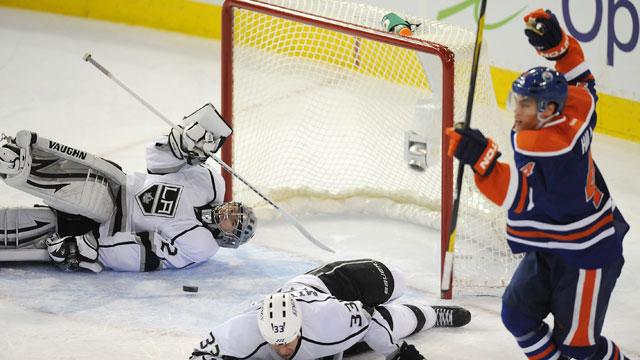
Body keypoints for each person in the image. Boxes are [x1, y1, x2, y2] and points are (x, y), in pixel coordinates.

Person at [445, 9, 630, 360]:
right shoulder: (576, 108)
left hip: (587, 252)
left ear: (547, 110)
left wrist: (480, 158)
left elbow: (515, 194)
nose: (516, 111)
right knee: (517, 314)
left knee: (580, 347)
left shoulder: (550, 151)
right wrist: (558, 48)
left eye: (525, 105)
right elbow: (581, 80)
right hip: (552, 242)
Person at [0, 103, 256, 272]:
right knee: (96, 176)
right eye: (235, 210)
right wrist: (182, 146)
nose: (229, 213)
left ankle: (15, 163)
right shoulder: (209, 183)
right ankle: (18, 160)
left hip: (113, 223)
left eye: (233, 221)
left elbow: (150, 254)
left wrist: (98, 249)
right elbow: (156, 161)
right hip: (121, 184)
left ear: (228, 237)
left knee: (60, 219)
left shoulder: (202, 245)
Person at [190, 259, 471, 360]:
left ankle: (417, 305)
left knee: (396, 281)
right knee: (391, 322)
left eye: (287, 340)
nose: (284, 350)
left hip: (330, 286)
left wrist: (396, 354)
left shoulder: (328, 321)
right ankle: (432, 315)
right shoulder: (244, 331)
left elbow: (369, 321)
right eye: (276, 344)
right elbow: (200, 355)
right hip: (327, 335)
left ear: (299, 327)